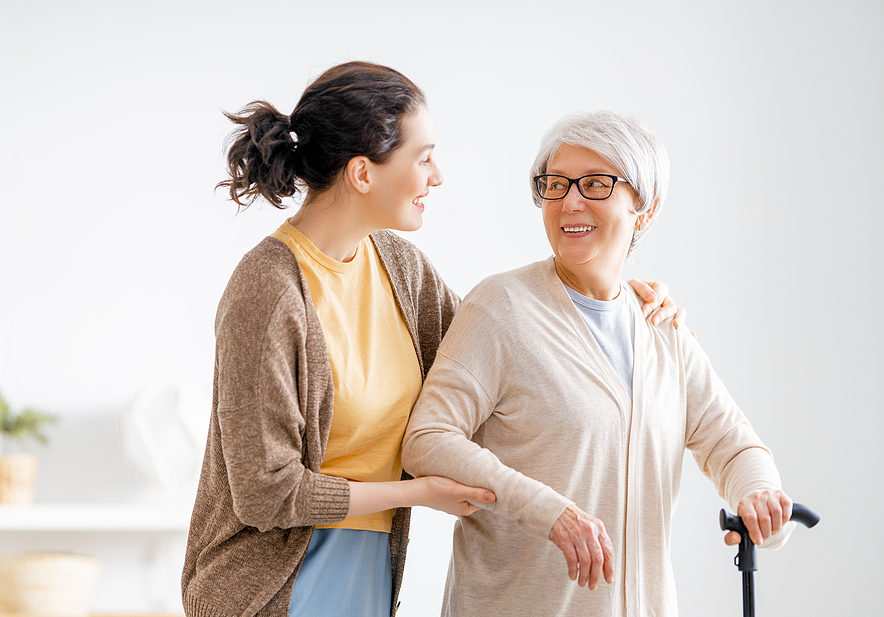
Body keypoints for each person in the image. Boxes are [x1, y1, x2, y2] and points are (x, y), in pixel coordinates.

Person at [181, 62, 683, 617]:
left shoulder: (400, 268)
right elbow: (265, 492)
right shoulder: (270, 289)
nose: (436, 176)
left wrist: (611, 300)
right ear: (362, 173)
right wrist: (415, 493)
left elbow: (509, 351)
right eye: (423, 158)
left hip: (366, 569)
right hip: (267, 586)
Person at [401, 109, 794, 617]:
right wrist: (548, 510)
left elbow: (732, 444)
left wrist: (761, 496)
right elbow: (428, 440)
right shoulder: (501, 309)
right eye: (557, 184)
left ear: (644, 209)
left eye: (595, 184)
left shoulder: (662, 329)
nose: (570, 201)